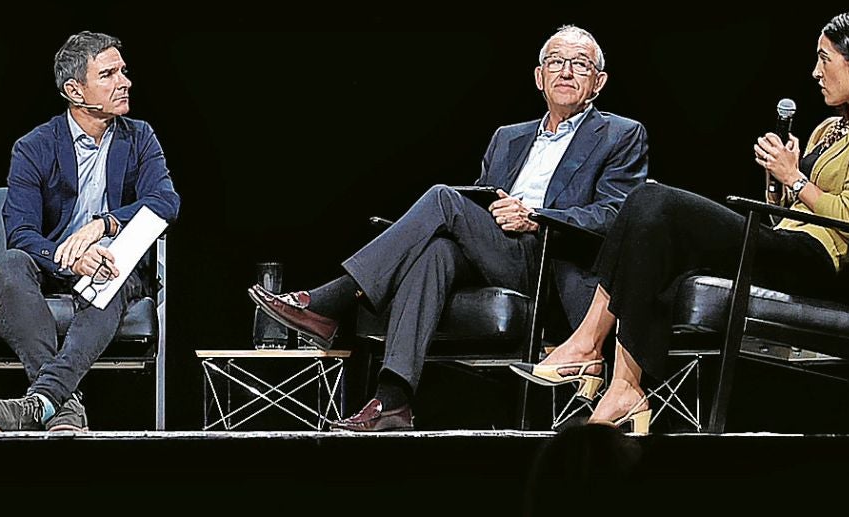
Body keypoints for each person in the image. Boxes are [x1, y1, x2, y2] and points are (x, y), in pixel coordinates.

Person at [517, 10, 849, 432]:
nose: (815, 72)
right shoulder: (829, 129)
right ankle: (623, 385)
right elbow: (794, 209)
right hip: (784, 243)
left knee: (653, 201)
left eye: (824, 59)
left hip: (817, 263)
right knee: (648, 214)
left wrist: (796, 176)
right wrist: (778, 185)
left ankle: (590, 349)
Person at [250, 25, 649, 431]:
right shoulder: (507, 138)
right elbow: (479, 203)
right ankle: (393, 401)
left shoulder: (620, 134)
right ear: (538, 77)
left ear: (598, 82)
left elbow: (618, 215)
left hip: (552, 259)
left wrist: (536, 215)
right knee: (435, 252)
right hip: (494, 251)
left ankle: (333, 299)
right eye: (556, 62)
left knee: (443, 198)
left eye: (579, 65)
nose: (566, 72)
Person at [0, 31, 181, 432]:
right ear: (75, 90)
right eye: (108, 74)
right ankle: (62, 404)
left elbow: (166, 201)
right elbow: (20, 232)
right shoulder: (34, 146)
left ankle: (41, 402)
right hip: (54, 268)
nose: (124, 82)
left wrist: (103, 226)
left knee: (115, 271)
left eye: (123, 71)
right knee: (9, 263)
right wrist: (71, 259)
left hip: (116, 267)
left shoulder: (140, 137)